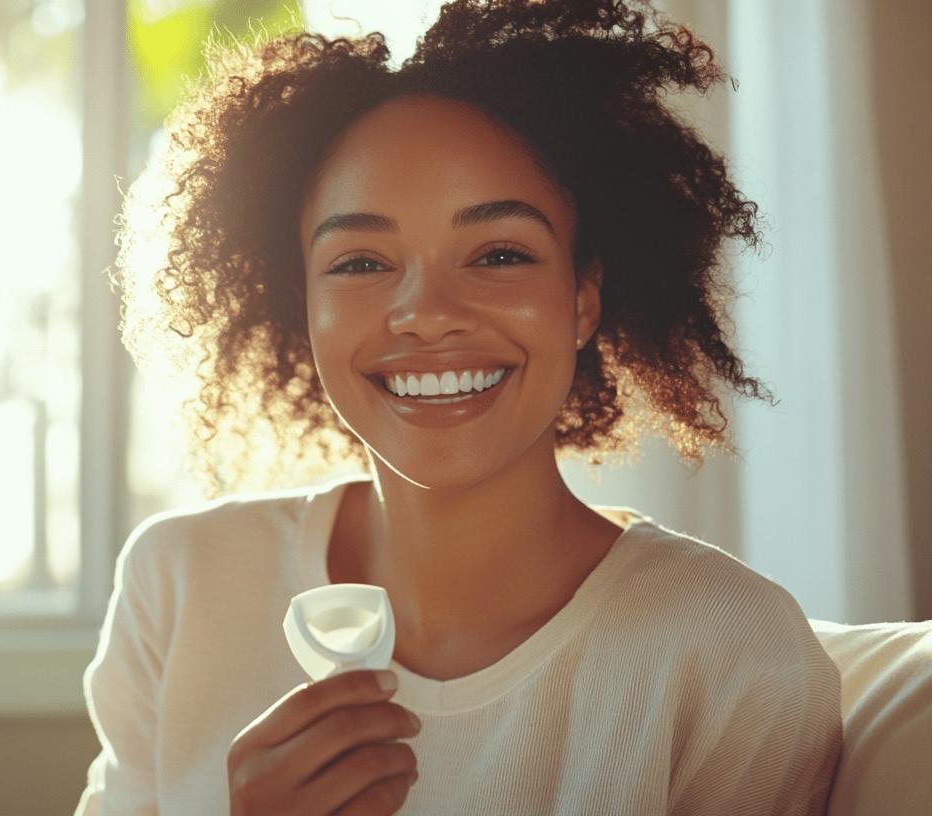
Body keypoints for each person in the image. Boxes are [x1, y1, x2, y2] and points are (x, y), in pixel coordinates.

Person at [75, 1, 843, 814]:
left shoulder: (733, 652)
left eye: (501, 253)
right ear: (296, 303)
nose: (425, 311)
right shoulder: (181, 584)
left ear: (583, 299)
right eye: (362, 261)